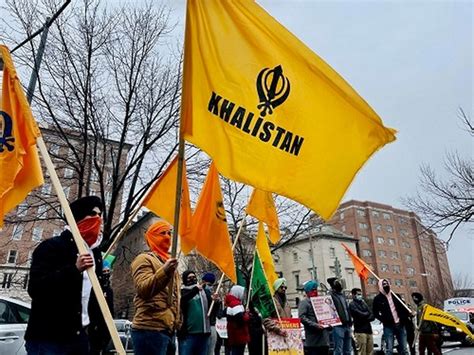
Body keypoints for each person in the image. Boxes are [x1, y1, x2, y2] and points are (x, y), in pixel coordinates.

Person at [24, 196, 110, 354]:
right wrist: (74, 270)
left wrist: (101, 337)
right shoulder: (52, 247)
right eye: (92, 214)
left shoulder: (96, 254)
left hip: (81, 340)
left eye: (100, 215)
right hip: (50, 339)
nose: (98, 218)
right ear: (77, 217)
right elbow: (36, 289)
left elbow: (97, 299)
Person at [130, 220, 181, 355]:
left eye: (169, 233)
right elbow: (143, 289)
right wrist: (164, 271)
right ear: (151, 237)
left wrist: (177, 321)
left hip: (168, 330)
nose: (167, 237)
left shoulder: (169, 262)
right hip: (149, 329)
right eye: (162, 233)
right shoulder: (143, 259)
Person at [179, 270, 216, 355]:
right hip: (188, 334)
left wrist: (216, 301)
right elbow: (182, 301)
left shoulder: (204, 291)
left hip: (203, 333)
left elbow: (212, 309)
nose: (192, 279)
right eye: (189, 278)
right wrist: (195, 290)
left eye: (194, 277)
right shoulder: (182, 291)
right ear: (185, 279)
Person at [372, 279, 410, 355]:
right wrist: (383, 319)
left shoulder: (396, 296)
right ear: (380, 286)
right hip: (388, 326)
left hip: (400, 324)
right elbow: (375, 312)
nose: (386, 286)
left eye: (387, 284)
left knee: (404, 349)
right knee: (389, 349)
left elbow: (403, 308)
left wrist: (406, 316)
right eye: (384, 285)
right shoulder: (377, 299)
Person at [298, 280, 330, 355]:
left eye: (316, 289)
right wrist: (315, 325)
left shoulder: (321, 301)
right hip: (313, 341)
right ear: (307, 292)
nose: (315, 291)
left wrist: (330, 323)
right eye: (313, 290)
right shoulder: (304, 303)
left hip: (324, 340)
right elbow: (302, 317)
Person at [327, 277, 352, 355]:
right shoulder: (331, 296)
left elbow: (346, 309)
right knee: (338, 349)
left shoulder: (342, 296)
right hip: (338, 326)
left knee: (348, 349)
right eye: (337, 283)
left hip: (347, 325)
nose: (340, 284)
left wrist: (350, 321)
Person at [225, 285, 250, 355]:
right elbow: (241, 319)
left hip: (234, 335)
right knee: (238, 352)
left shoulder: (231, 303)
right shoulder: (235, 304)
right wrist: (247, 314)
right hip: (239, 335)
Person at [349, 288, 374, 355]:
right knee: (362, 351)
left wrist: (366, 315)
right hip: (360, 331)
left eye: (360, 294)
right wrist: (366, 315)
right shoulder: (352, 304)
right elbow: (359, 314)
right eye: (358, 294)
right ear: (353, 295)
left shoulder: (364, 303)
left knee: (370, 351)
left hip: (368, 330)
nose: (360, 296)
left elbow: (371, 314)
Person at [202, 272, 220, 355]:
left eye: (211, 284)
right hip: (202, 326)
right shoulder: (199, 292)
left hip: (211, 325)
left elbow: (215, 312)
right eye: (208, 284)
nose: (210, 286)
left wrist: (216, 302)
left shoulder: (213, 296)